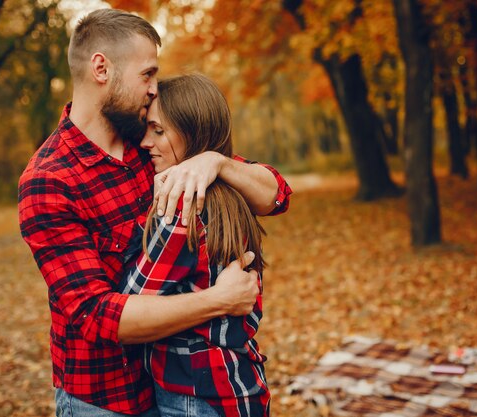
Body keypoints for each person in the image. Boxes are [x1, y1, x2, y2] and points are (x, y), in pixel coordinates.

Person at [17, 8, 292, 417]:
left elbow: (277, 196)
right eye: (147, 74)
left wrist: (217, 162)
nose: (153, 88)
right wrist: (220, 300)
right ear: (101, 68)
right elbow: (98, 317)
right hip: (104, 399)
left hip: (175, 387)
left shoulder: (151, 145)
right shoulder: (49, 180)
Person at [120, 74, 270, 417]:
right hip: (239, 382)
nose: (145, 142)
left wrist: (146, 226)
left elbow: (130, 301)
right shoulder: (231, 192)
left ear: (192, 132)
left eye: (158, 131)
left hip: (195, 396)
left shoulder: (181, 207)